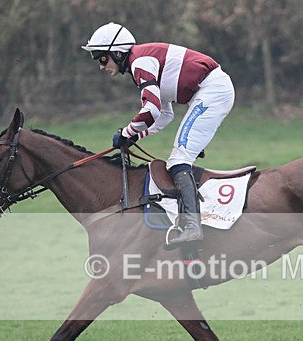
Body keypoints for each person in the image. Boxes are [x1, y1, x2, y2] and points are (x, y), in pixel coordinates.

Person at [82, 22, 235, 244]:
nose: (101, 66)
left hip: (212, 91)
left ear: (117, 52)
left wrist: (126, 132)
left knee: (178, 160)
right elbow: (164, 114)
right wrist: (135, 135)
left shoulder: (140, 63)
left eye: (102, 58)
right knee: (179, 158)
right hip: (211, 91)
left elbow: (151, 109)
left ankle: (192, 226)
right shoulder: (141, 62)